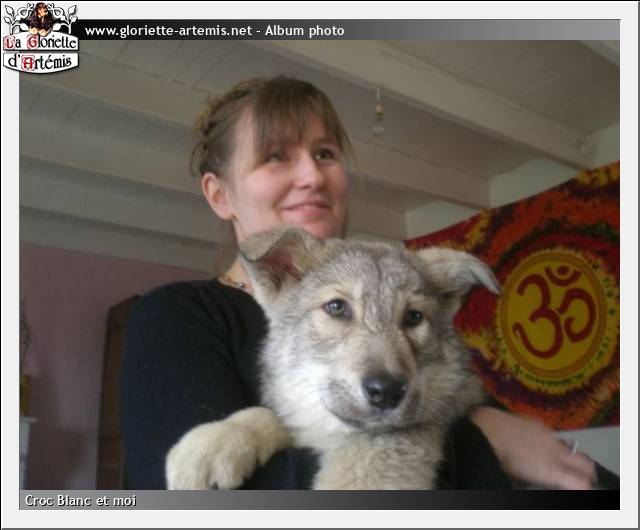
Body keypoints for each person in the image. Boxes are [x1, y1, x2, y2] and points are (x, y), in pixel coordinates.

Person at [120, 76, 597, 490]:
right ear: (219, 194)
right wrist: (480, 440)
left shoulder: (416, 306)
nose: (312, 175)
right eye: (276, 156)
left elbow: (554, 463)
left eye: (324, 153)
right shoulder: (178, 317)